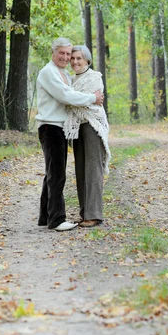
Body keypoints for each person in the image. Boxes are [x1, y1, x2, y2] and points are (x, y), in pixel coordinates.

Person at [36, 38, 104, 231]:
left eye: (70, 54)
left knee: (52, 172)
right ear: (53, 52)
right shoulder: (48, 72)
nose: (67, 58)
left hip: (60, 127)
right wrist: (93, 98)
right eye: (63, 54)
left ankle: (45, 216)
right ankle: (56, 219)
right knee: (56, 174)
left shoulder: (64, 73)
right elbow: (66, 96)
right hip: (51, 126)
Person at [64, 45, 111, 228]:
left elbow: (76, 103)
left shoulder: (94, 77)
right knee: (81, 171)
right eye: (73, 58)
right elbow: (70, 100)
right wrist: (76, 99)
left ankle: (94, 214)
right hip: (77, 129)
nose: (75, 61)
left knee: (93, 170)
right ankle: (85, 213)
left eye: (79, 58)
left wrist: (73, 99)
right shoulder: (69, 80)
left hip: (92, 126)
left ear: (87, 61)